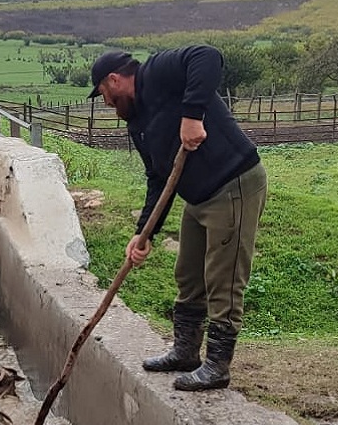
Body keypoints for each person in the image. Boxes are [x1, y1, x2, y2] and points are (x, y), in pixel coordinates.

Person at [88, 46, 267, 390]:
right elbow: (158, 179)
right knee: (188, 274)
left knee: (223, 278)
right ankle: (185, 351)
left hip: (234, 184)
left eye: (104, 94)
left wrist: (193, 116)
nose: (106, 102)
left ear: (114, 79)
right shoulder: (137, 122)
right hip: (197, 198)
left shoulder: (157, 72)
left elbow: (208, 56)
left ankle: (217, 366)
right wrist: (145, 235)